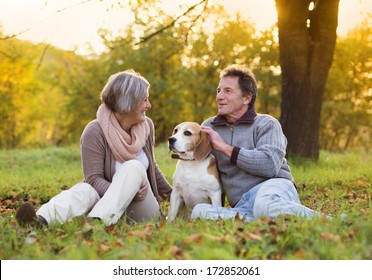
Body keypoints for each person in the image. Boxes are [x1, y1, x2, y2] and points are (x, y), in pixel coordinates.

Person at [16, 70, 172, 227]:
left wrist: (175, 195)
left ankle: (96, 225)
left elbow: (153, 167)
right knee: (84, 189)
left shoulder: (146, 127)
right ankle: (40, 221)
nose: (149, 105)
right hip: (107, 205)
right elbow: (93, 179)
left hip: (141, 210)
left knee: (134, 166)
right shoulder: (95, 131)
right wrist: (123, 191)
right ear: (128, 102)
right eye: (144, 100)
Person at [191, 65, 324, 222]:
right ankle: (263, 218)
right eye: (218, 90)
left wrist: (225, 148)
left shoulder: (266, 124)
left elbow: (269, 165)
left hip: (273, 189)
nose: (219, 96)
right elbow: (199, 168)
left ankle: (331, 221)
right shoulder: (209, 126)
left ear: (247, 98)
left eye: (228, 91)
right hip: (241, 204)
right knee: (199, 212)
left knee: (264, 205)